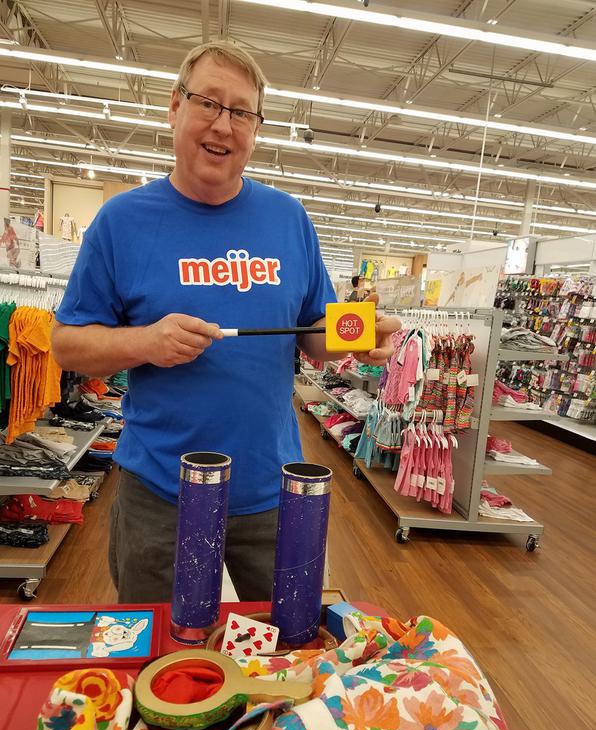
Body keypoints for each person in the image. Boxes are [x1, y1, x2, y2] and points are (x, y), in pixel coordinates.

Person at [52, 41, 398, 603]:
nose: (223, 125)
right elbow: (67, 344)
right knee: (163, 644)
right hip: (160, 494)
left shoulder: (289, 219)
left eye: (241, 112)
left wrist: (359, 335)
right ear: (175, 106)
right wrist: (147, 341)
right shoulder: (121, 222)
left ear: (256, 128)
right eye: (208, 103)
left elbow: (314, 332)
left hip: (272, 490)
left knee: (290, 641)